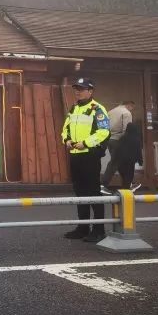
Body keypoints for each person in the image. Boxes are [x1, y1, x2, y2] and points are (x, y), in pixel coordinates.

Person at [61, 76, 111, 243]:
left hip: (89, 155)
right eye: (76, 89)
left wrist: (86, 143)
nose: (77, 92)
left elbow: (104, 132)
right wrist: (66, 140)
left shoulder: (97, 109)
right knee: (80, 193)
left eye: (81, 89)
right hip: (75, 155)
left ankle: (98, 230)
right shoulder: (73, 108)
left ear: (90, 91)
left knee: (93, 192)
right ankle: (83, 227)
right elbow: (65, 128)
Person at [100, 99, 135, 192]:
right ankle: (103, 184)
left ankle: (128, 185)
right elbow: (126, 130)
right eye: (132, 108)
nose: (132, 110)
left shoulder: (110, 112)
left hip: (110, 139)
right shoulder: (126, 113)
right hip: (119, 141)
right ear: (129, 105)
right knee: (115, 163)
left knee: (120, 163)